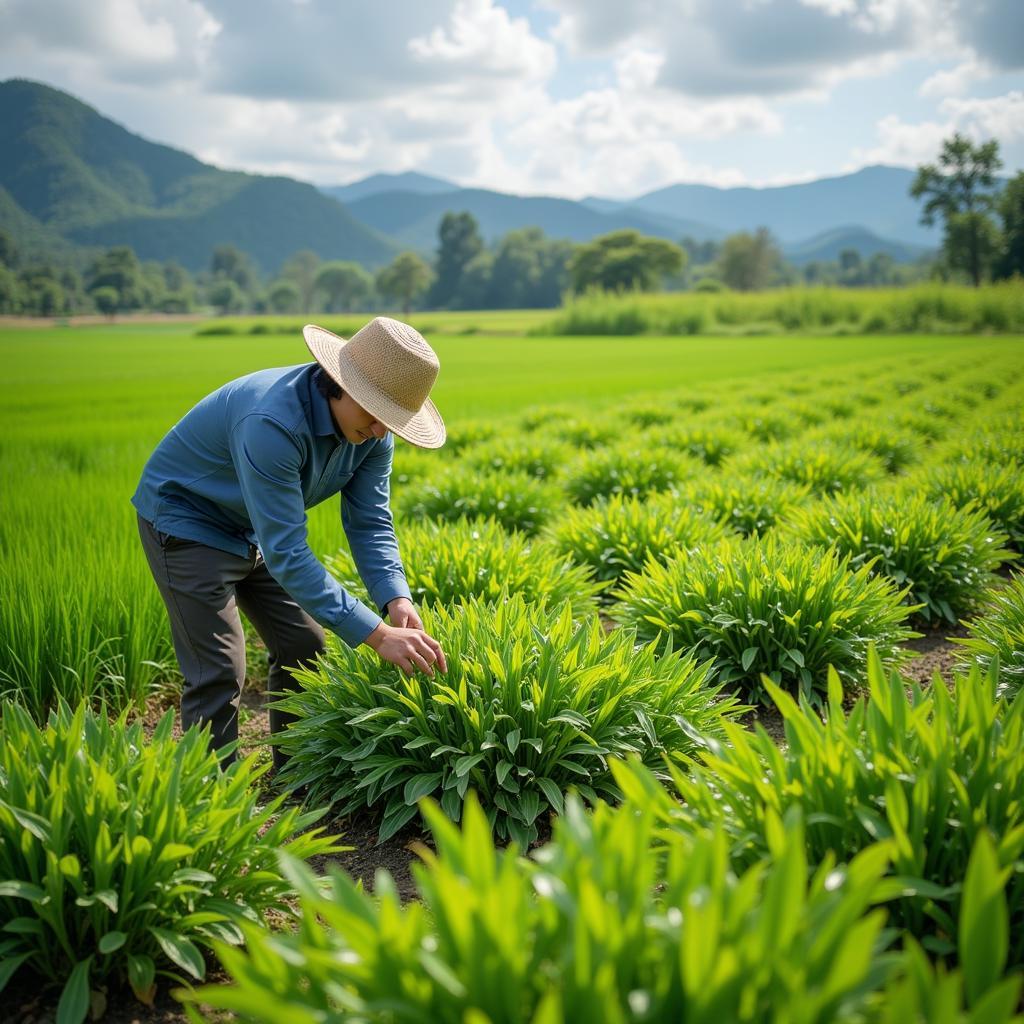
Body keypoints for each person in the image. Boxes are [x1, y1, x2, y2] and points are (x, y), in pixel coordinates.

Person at [131, 317, 448, 771]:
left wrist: (395, 599)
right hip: (189, 522)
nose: (382, 429)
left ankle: (296, 776)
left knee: (304, 643)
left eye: (393, 420)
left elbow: (371, 521)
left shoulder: (375, 436)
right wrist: (377, 636)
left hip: (255, 526)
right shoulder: (271, 422)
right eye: (376, 413)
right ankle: (208, 801)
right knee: (219, 668)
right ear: (341, 383)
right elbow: (288, 552)